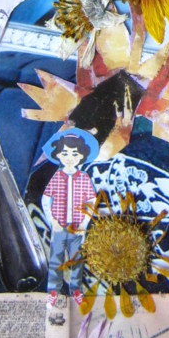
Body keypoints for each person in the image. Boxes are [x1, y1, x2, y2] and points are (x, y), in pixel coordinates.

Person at [41, 128, 98, 307]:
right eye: (65, 153)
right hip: (59, 226)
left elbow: (92, 201)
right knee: (56, 259)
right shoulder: (57, 177)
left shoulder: (84, 178)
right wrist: (53, 221)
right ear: (58, 155)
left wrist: (84, 222)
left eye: (75, 154)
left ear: (82, 156)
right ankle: (53, 291)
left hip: (78, 227)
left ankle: (76, 290)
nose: (70, 158)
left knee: (77, 260)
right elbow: (45, 199)